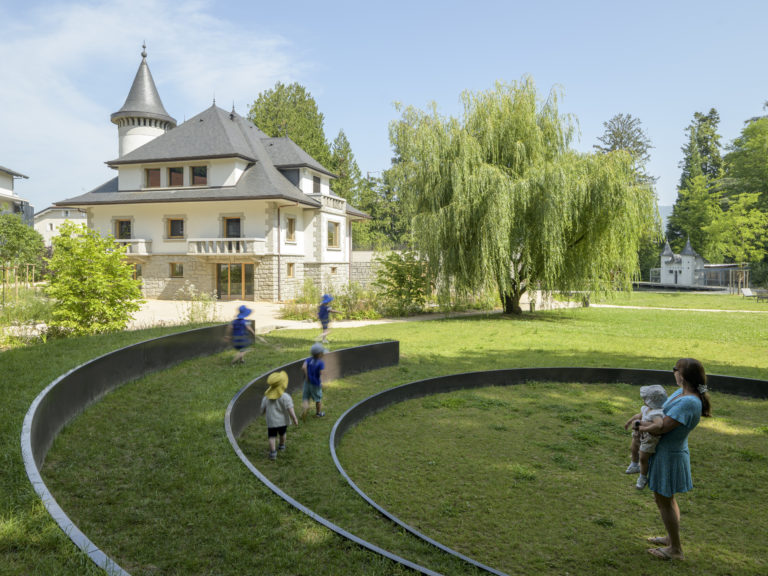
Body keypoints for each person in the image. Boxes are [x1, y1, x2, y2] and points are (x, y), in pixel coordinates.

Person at [637, 358, 712, 561]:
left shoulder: (689, 402)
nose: (673, 372)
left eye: (675, 369)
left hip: (669, 456)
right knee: (664, 499)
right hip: (665, 453)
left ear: (683, 376)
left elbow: (662, 426)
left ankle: (676, 549)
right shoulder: (681, 393)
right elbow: (660, 412)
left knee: (665, 500)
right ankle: (671, 538)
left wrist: (640, 425)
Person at [623, 385, 668, 489]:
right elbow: (637, 416)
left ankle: (643, 477)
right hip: (639, 435)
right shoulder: (646, 408)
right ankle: (634, 464)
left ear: (651, 401)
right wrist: (628, 422)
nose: (643, 400)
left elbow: (659, 425)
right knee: (633, 448)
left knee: (643, 457)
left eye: (645, 399)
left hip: (649, 438)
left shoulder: (656, 414)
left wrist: (645, 429)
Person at [260, 371, 299, 460]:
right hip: (282, 422)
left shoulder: (266, 397)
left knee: (272, 437)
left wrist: (262, 412)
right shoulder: (286, 397)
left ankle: (273, 452)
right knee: (282, 434)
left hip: (271, 422)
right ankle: (281, 445)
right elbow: (290, 409)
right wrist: (294, 418)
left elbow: (263, 408)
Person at [301, 342, 326, 420]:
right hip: (315, 383)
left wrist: (307, 376)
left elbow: (303, 367)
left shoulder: (308, 359)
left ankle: (305, 409)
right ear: (319, 354)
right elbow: (321, 373)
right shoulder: (321, 363)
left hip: (307, 382)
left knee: (305, 397)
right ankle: (318, 413)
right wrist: (322, 382)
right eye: (322, 353)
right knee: (318, 399)